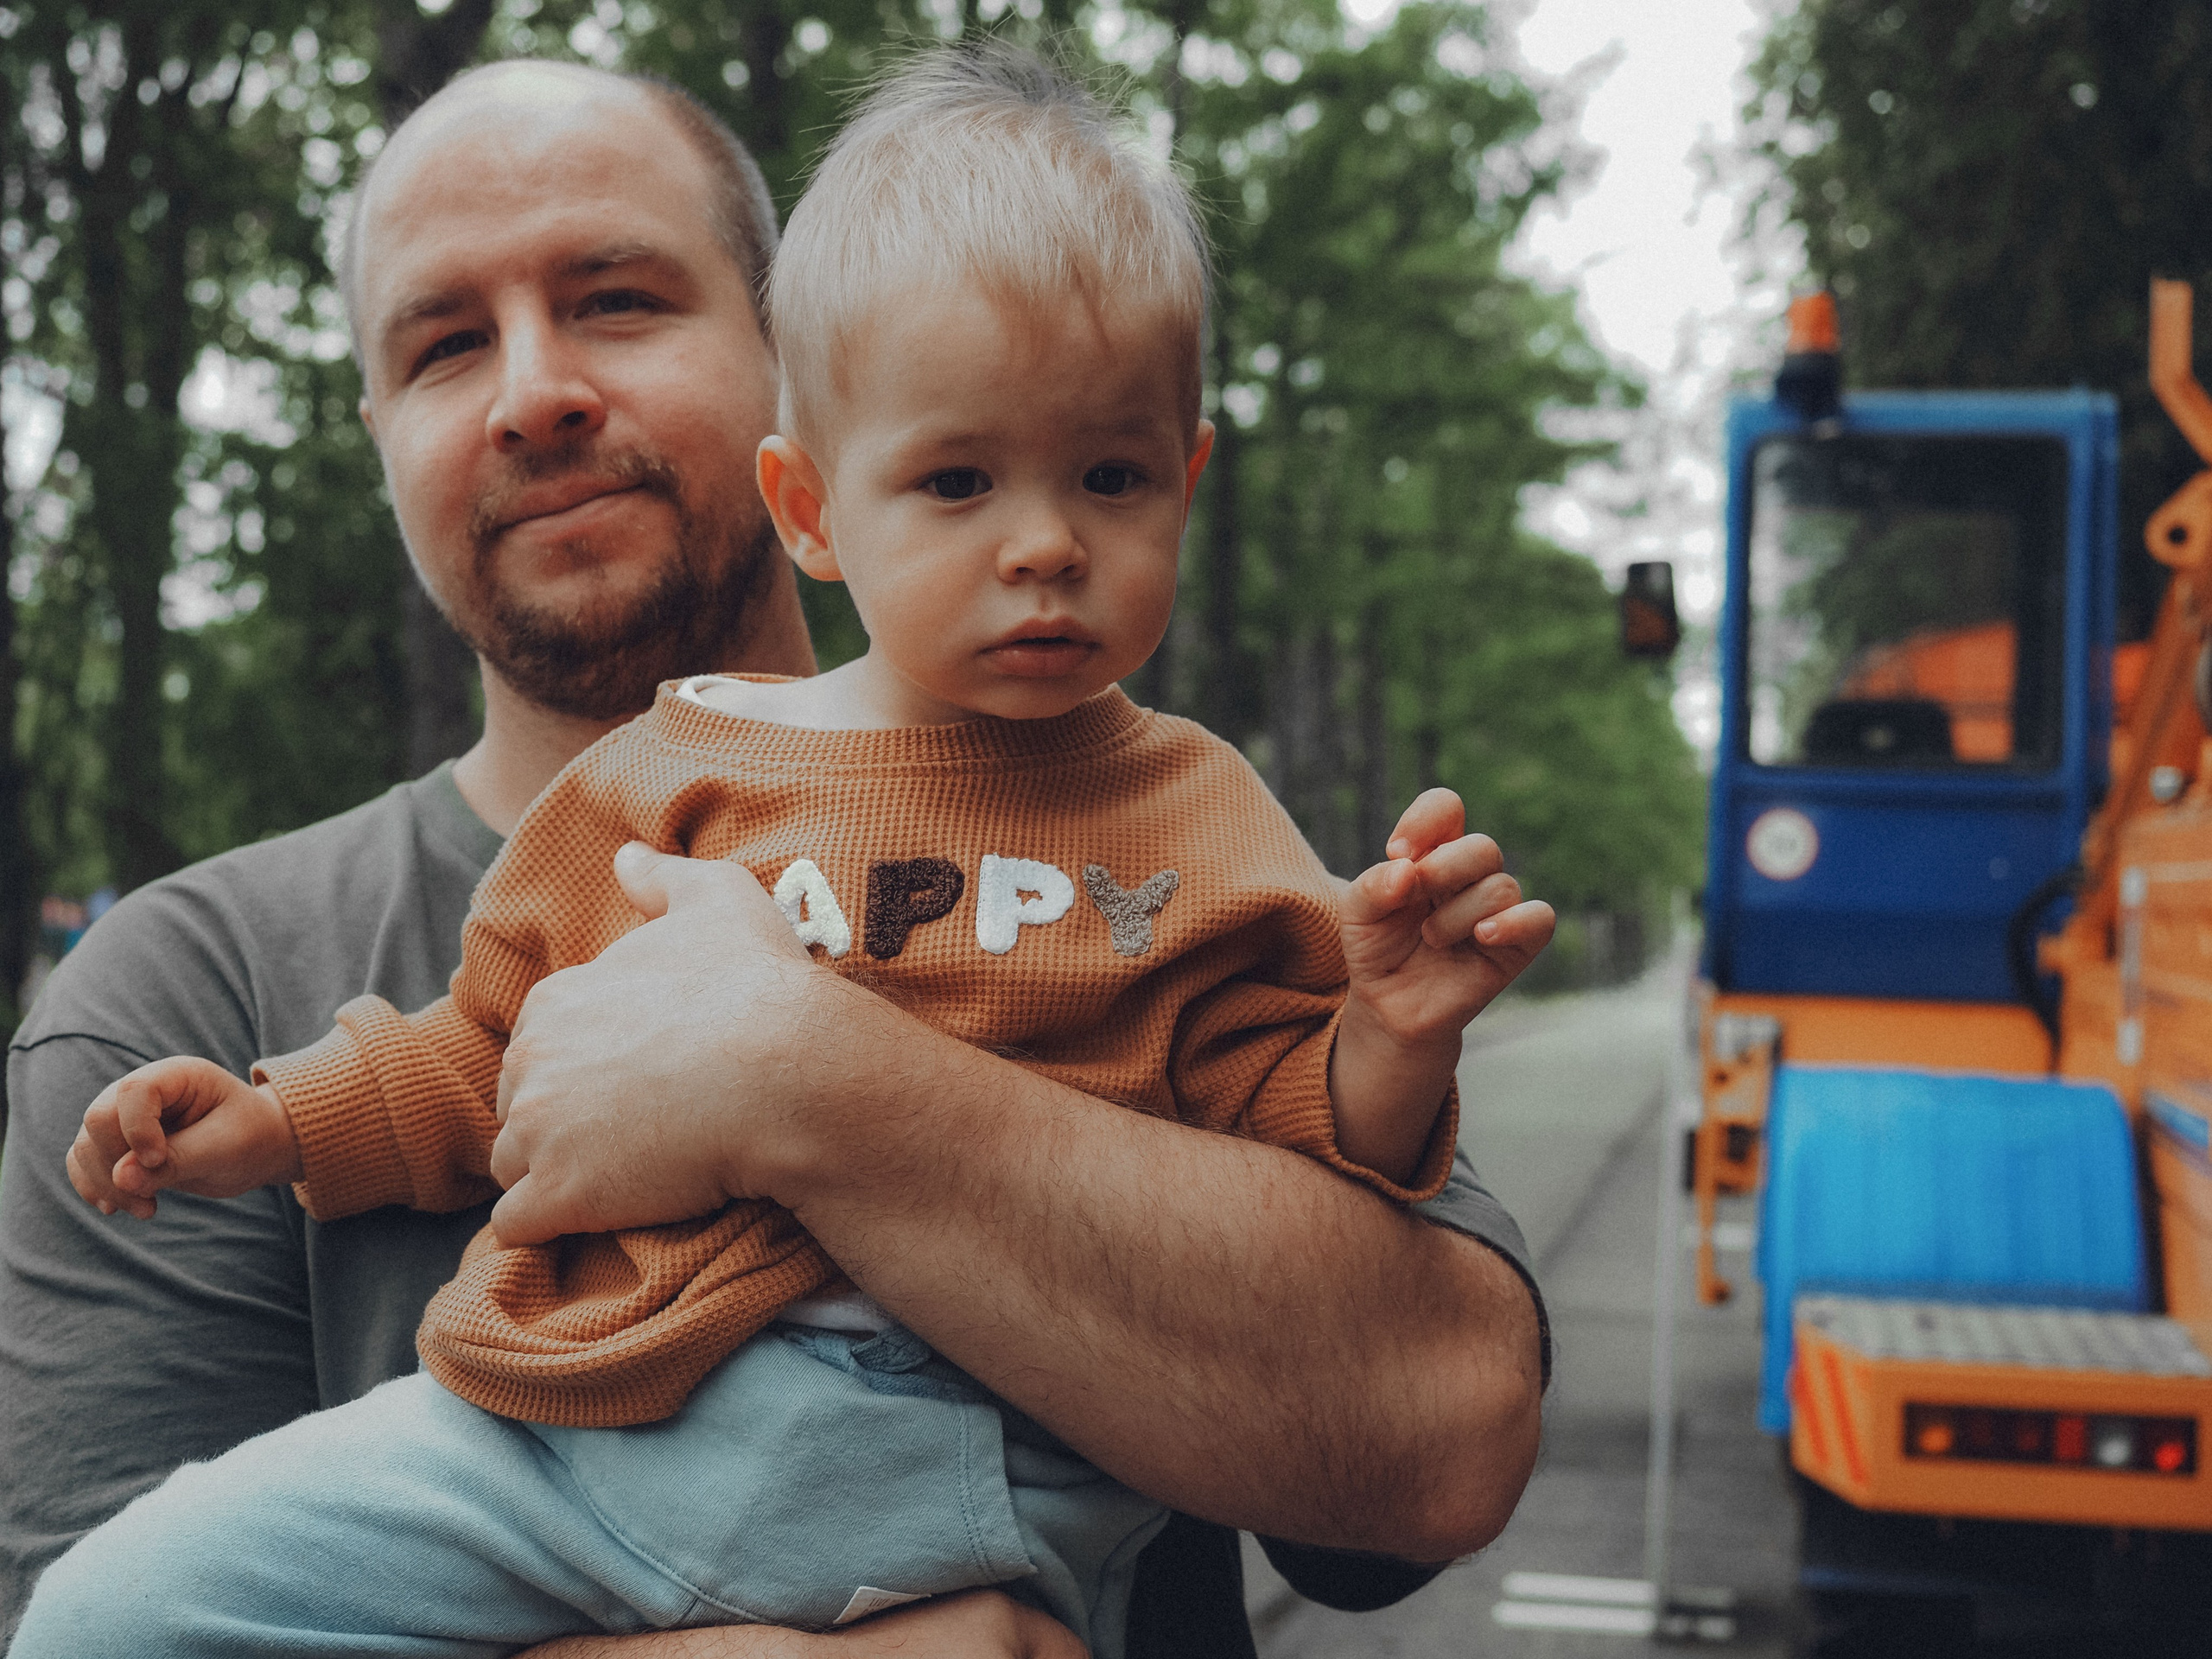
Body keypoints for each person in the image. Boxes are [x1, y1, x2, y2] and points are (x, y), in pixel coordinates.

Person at [0, 51, 1548, 1659]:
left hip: (996, 1483)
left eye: (618, 300)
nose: (535, 391)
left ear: (776, 363)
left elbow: (1435, 1428)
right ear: (812, 493)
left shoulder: (1187, 814)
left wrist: (803, 1077)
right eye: (445, 342)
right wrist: (281, 1117)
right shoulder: (188, 985)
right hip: (594, 1435)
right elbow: (477, 1056)